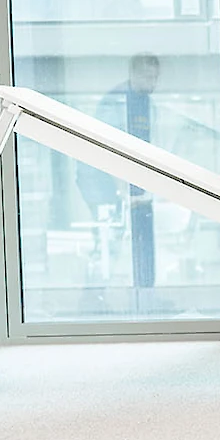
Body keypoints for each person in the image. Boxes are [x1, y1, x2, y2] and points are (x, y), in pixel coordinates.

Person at [77, 54, 161, 293]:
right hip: (103, 184)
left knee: (142, 239)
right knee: (108, 240)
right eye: (147, 76)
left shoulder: (147, 102)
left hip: (135, 185)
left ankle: (146, 295)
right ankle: (93, 296)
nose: (153, 82)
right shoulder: (116, 102)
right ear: (133, 74)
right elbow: (109, 152)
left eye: (155, 77)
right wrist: (123, 191)